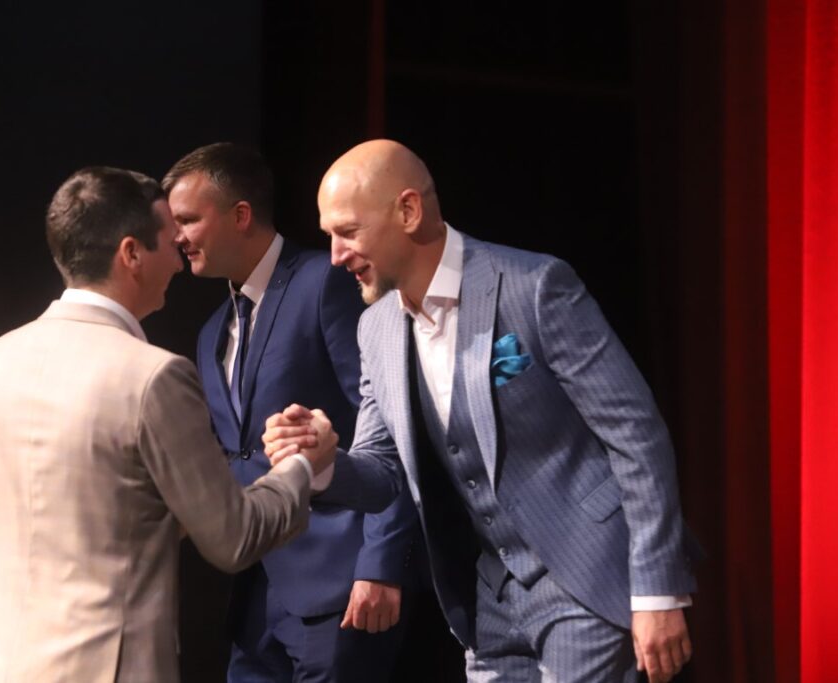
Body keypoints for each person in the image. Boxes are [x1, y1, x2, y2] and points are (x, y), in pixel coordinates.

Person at [264, 140, 699, 683]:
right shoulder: (375, 328)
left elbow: (636, 436)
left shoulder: (533, 286)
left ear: (408, 211)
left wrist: (657, 589)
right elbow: (382, 473)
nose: (335, 255)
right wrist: (323, 460)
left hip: (584, 579)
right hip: (488, 601)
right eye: (329, 235)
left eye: (348, 232)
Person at [0, 166, 331, 683]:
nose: (179, 260)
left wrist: (50, 546)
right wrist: (300, 466)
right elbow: (234, 538)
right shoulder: (154, 377)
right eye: (169, 243)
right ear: (132, 254)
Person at [164, 143, 420, 683]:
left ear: (241, 215)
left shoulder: (325, 281)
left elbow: (391, 427)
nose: (176, 237)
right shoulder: (211, 332)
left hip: (340, 587)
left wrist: (381, 564)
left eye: (187, 220)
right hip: (253, 596)